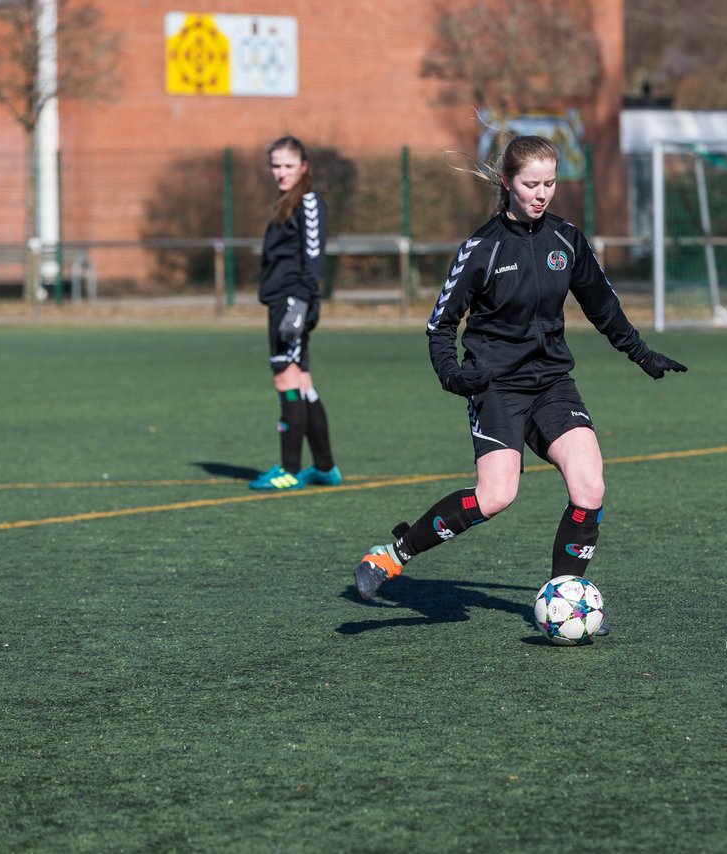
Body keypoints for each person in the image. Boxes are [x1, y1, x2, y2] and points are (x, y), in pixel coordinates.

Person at [351, 135, 687, 630]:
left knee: (590, 485)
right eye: (531, 183)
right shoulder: (480, 249)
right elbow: (441, 324)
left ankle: (562, 596)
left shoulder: (566, 240)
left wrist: (640, 353)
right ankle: (395, 551)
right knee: (496, 496)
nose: (542, 193)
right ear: (507, 183)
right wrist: (451, 373)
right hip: (497, 386)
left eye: (550, 183)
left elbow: (603, 306)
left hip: (552, 383)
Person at [249, 136, 342, 489]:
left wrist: (301, 304)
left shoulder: (309, 201)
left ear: (304, 167)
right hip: (283, 300)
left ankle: (288, 470)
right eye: (276, 165)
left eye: (288, 165)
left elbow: (315, 256)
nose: (281, 172)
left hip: (293, 302)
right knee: (301, 381)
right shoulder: (284, 204)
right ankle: (324, 467)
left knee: (285, 380)